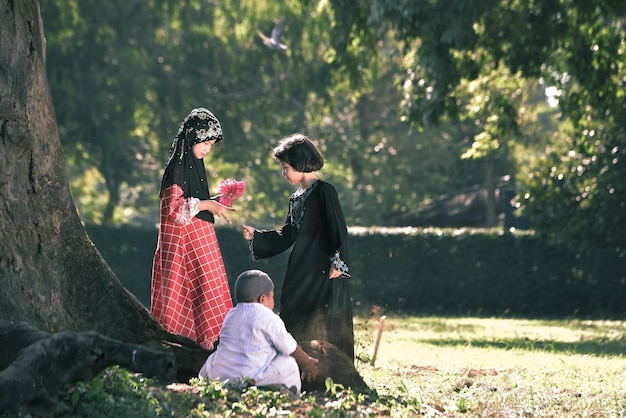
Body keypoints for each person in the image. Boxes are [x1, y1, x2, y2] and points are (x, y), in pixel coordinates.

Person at [241, 133, 355, 361]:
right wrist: (257, 236)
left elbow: (339, 230)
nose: (284, 173)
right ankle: (297, 366)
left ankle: (332, 370)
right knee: (293, 313)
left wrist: (337, 263)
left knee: (325, 318)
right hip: (300, 270)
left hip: (325, 270)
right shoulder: (296, 199)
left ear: (300, 163)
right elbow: (287, 235)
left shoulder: (325, 191)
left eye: (286, 168)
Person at [151, 107, 235, 351]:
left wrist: (219, 200)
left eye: (211, 144)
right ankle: (181, 348)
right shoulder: (178, 167)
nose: (208, 149)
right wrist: (208, 203)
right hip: (183, 250)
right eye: (205, 143)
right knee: (186, 295)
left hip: (199, 245)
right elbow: (174, 210)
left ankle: (208, 348)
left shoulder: (195, 167)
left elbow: (195, 202)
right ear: (192, 137)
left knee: (207, 292)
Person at [199, 269, 318, 395]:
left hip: (221, 377)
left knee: (214, 357)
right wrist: (307, 363)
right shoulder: (267, 316)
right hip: (248, 379)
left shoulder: (231, 314)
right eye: (272, 296)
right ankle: (294, 395)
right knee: (288, 361)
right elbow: (289, 346)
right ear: (262, 299)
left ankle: (205, 382)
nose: (273, 300)